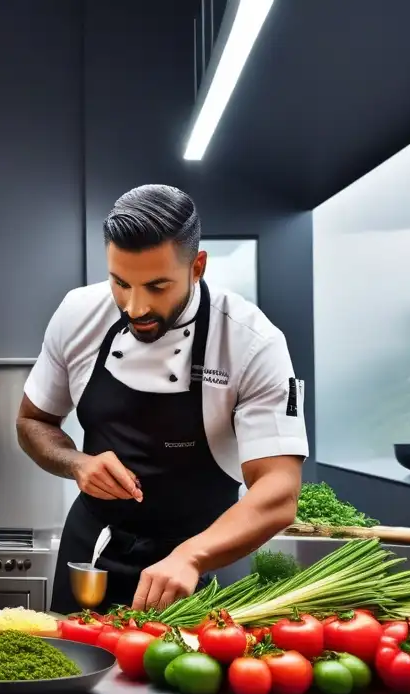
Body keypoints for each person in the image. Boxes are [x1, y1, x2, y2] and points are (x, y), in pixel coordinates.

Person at [16, 184, 308, 615]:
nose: (135, 308)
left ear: (197, 267)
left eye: (157, 286)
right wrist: (78, 464)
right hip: (92, 555)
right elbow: (32, 422)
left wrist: (193, 556)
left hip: (204, 562)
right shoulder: (77, 313)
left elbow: (279, 492)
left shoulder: (251, 342)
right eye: (120, 283)